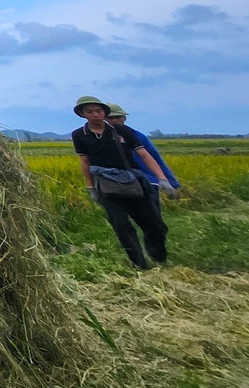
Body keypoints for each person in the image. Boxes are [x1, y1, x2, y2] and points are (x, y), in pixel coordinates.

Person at [71, 95, 175, 269]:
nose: (95, 115)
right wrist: (91, 188)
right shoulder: (80, 135)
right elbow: (85, 162)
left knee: (153, 223)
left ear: (104, 112)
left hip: (132, 180)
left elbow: (143, 154)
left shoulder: (122, 131)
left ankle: (158, 257)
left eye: (99, 111)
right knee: (121, 225)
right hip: (106, 184)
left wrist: (162, 179)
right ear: (82, 114)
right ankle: (139, 264)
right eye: (90, 112)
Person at [104, 103, 181, 198]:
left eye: (117, 117)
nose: (114, 120)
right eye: (110, 118)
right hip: (116, 182)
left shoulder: (137, 137)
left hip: (147, 180)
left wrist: (170, 182)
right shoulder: (99, 139)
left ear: (124, 118)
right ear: (104, 119)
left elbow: (155, 158)